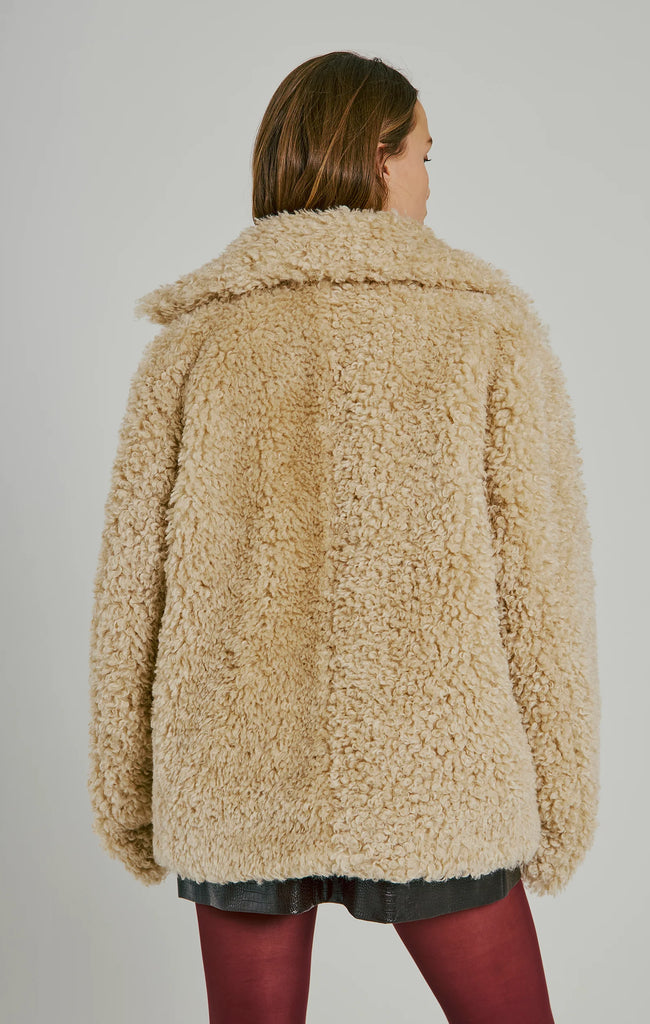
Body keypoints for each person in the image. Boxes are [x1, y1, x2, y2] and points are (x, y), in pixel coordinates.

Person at [87, 49, 601, 1024]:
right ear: (376, 158)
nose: (426, 183)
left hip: (235, 768)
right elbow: (540, 584)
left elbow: (129, 592)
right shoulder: (484, 334)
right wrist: (561, 790)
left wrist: (130, 791)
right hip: (434, 769)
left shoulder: (194, 343)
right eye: (422, 156)